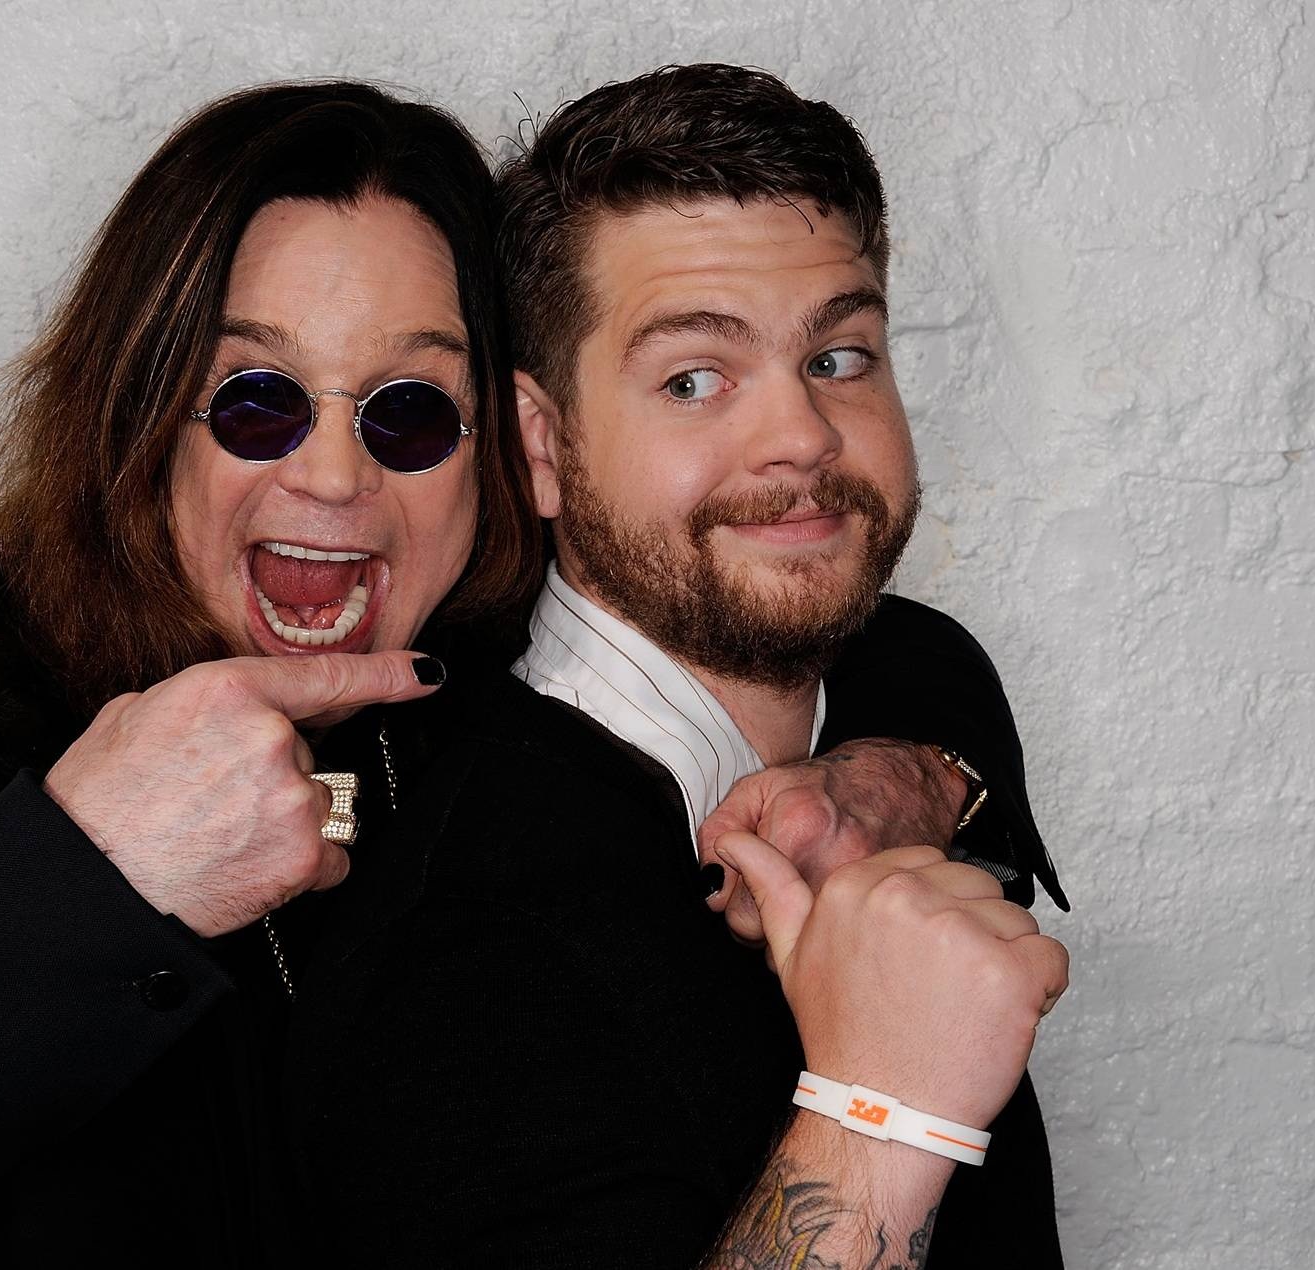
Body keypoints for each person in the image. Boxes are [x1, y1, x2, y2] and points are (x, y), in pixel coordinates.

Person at [0, 78, 1033, 1268]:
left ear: (505, 455)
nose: (333, 473)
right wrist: (87, 876)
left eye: (408, 410)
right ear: (140, 420)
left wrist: (907, 769)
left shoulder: (465, 695)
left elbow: (793, 586)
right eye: (256, 399)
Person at [285, 64, 1071, 1268]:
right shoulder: (472, 953)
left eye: (838, 357)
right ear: (542, 445)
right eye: (692, 379)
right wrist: (886, 1115)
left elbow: (912, 649)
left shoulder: (884, 699)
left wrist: (916, 774)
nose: (800, 435)